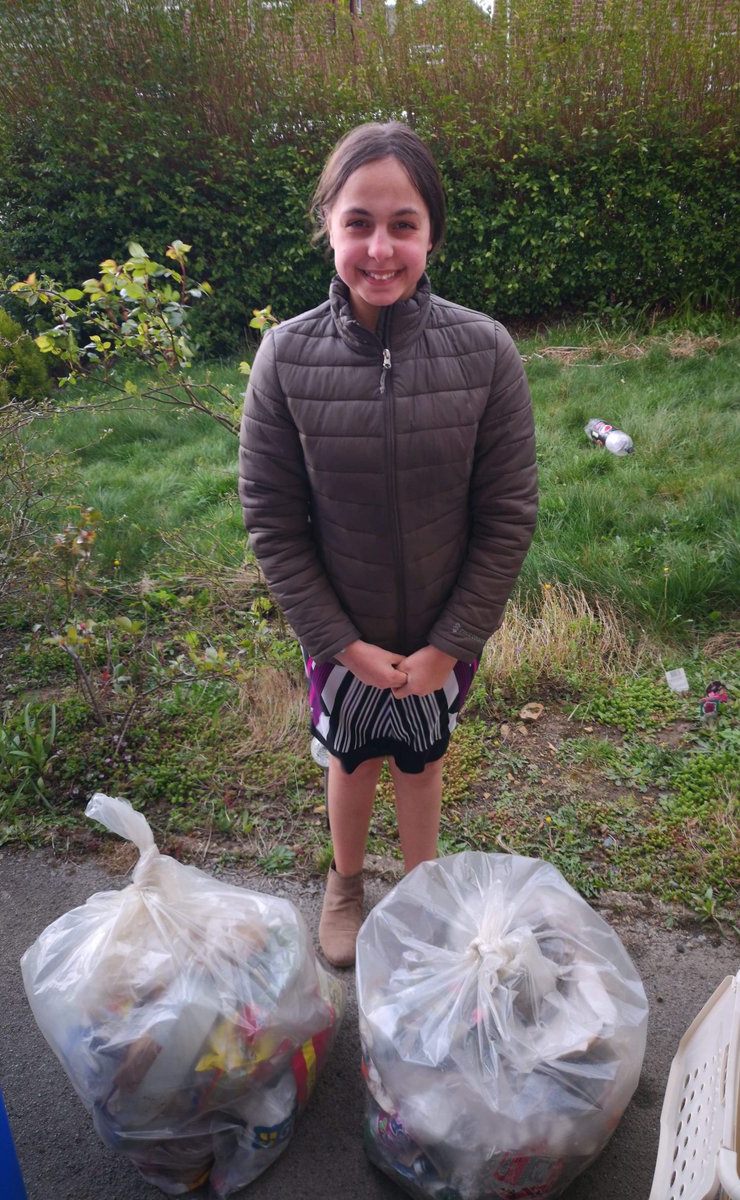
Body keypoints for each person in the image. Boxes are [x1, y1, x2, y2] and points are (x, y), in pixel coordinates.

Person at [238, 121, 538, 967]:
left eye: (402, 224)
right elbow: (272, 518)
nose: (380, 247)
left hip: (445, 632)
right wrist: (340, 644)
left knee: (421, 758)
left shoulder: (485, 352)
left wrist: (450, 646)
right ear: (328, 226)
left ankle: (422, 890)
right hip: (341, 634)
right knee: (352, 755)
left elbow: (508, 511)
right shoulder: (285, 358)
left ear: (431, 232)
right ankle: (345, 881)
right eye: (358, 222)